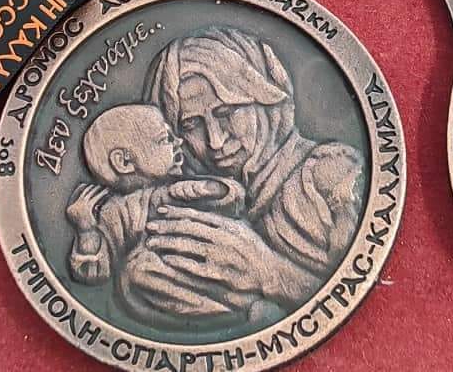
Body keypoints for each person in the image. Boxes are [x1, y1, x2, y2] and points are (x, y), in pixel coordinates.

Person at [116, 27, 364, 325]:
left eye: (226, 113)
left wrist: (266, 270)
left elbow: (353, 291)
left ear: (262, 97)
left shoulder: (331, 174)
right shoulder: (197, 199)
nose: (215, 141)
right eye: (191, 125)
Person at [64, 103, 248, 290]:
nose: (178, 141)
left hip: (216, 263)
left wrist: (213, 190)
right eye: (164, 139)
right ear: (124, 162)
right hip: (169, 281)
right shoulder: (114, 214)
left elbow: (237, 200)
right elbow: (93, 273)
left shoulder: (180, 186)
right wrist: (86, 229)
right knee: (139, 270)